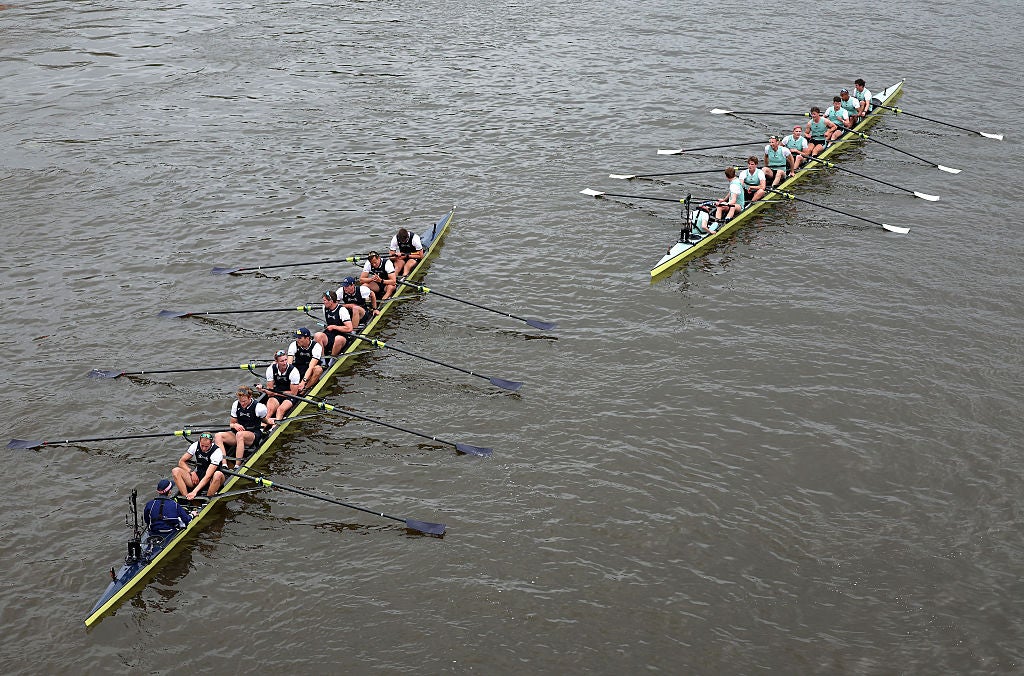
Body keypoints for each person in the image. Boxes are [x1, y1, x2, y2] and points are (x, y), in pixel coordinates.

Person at [214, 386, 271, 470]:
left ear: (250, 397)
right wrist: (235, 425)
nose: (242, 404)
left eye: (244, 401)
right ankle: (224, 464)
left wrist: (270, 423)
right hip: (239, 434)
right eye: (240, 401)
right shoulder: (236, 405)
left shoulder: (259, 408)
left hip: (253, 435)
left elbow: (265, 420)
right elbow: (231, 424)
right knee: (218, 436)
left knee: (240, 435)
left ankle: (237, 466)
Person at [171, 432, 227, 501]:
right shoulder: (195, 445)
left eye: (206, 446)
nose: (203, 448)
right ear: (199, 441)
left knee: (217, 474)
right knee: (175, 471)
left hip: (213, 479)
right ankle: (186, 498)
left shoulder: (217, 452)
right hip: (199, 475)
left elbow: (208, 476)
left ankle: (207, 499)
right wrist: (191, 472)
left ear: (211, 443)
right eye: (202, 445)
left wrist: (194, 492)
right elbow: (181, 462)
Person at [314, 290, 354, 358]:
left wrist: (334, 327)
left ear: (331, 301)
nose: (323, 303)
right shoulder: (325, 308)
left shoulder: (342, 310)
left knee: (338, 339)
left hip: (343, 336)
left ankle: (332, 359)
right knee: (317, 335)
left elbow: (350, 328)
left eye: (325, 301)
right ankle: (322, 359)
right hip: (330, 335)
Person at [264, 349, 300, 423]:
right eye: (281, 361)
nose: (284, 363)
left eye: (286, 360)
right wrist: (263, 390)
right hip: (277, 392)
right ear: (276, 362)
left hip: (290, 396)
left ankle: (273, 428)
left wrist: (275, 393)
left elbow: (294, 393)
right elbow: (270, 391)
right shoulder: (271, 369)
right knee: (269, 411)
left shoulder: (294, 371)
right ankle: (261, 428)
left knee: (280, 410)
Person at [287, 327, 324, 394]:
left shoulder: (316, 347)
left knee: (318, 369)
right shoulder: (293, 345)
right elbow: (289, 364)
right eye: (297, 338)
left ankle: (305, 389)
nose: (297, 340)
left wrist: (303, 382)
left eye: (300, 338)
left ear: (307, 338)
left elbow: (311, 367)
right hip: (299, 367)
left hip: (310, 369)